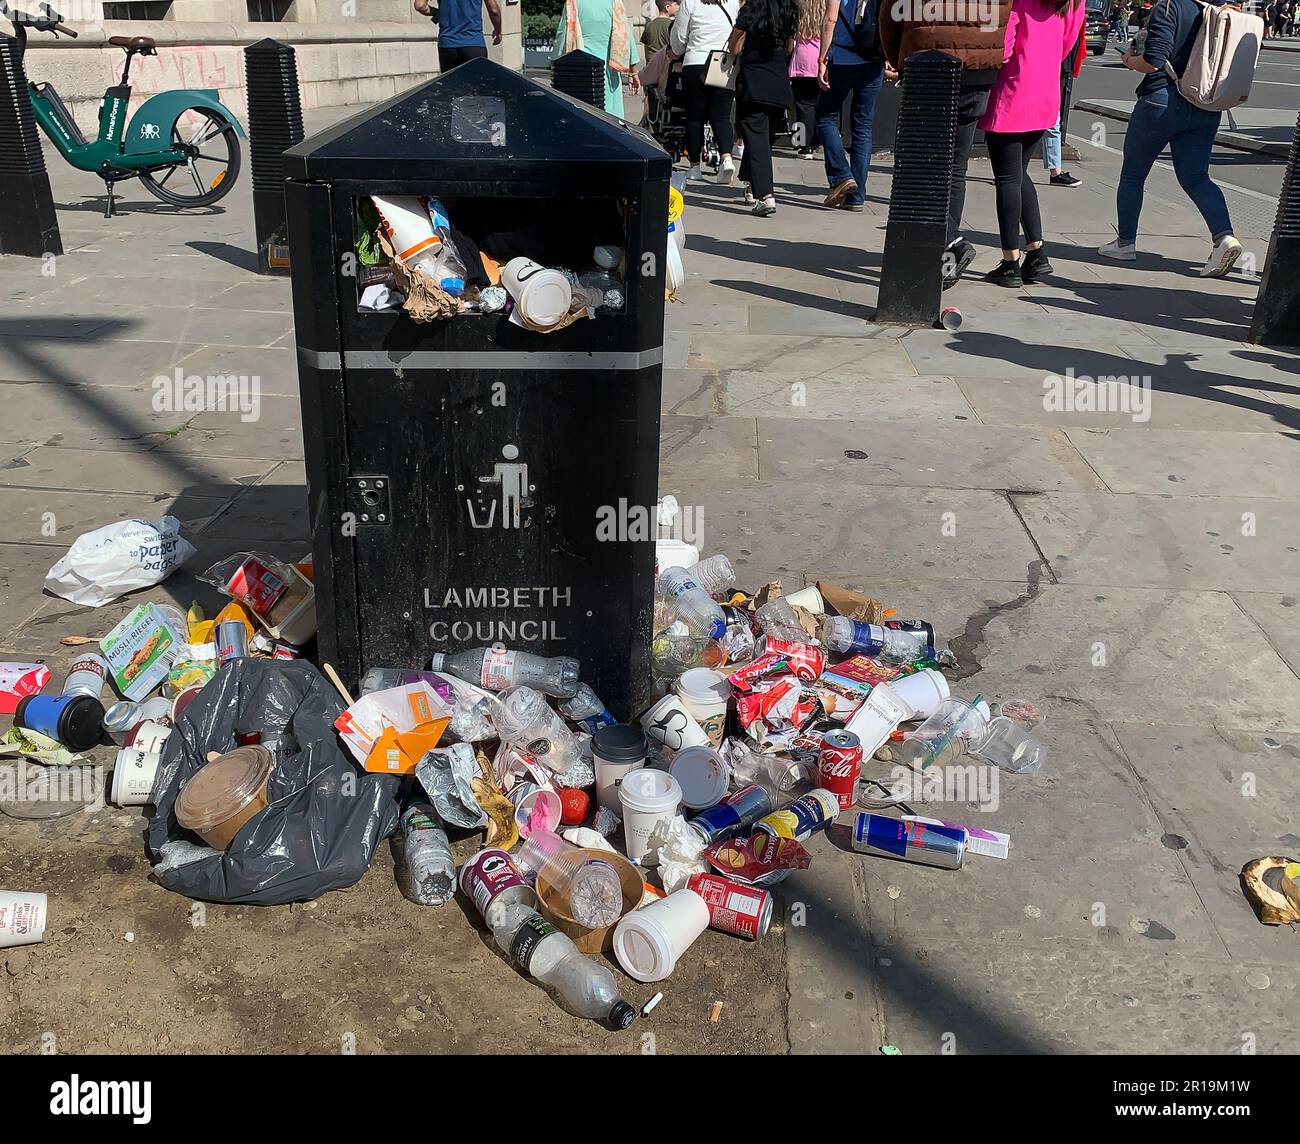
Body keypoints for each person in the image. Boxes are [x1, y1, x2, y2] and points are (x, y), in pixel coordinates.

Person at [1098, 0, 1242, 276]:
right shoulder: (1224, 10)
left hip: (1162, 101)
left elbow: (1153, 60)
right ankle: (1224, 237)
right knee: (1197, 178)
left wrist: (1128, 59)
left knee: (1133, 175)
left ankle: (1125, 243)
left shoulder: (1171, 6)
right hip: (1206, 105)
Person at [879, 0, 1013, 288]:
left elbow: (890, 14)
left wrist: (898, 59)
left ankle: (952, 240)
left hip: (928, 61)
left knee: (917, 163)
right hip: (979, 68)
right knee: (955, 166)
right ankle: (945, 258)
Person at [979, 0, 1086, 287]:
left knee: (1007, 179)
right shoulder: (1072, 3)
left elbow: (1003, 48)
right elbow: (1067, 44)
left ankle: (1010, 261)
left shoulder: (1018, 3)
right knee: (1018, 174)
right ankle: (1037, 253)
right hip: (1045, 94)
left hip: (1013, 93)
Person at [814, 0, 884, 212]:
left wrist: (822, 59)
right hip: (873, 61)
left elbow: (830, 19)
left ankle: (841, 175)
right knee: (863, 125)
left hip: (843, 59)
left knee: (825, 116)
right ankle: (857, 197)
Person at [732, 0, 800, 215]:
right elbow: (790, 47)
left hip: (753, 79)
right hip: (778, 78)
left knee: (755, 135)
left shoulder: (751, 7)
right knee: (763, 137)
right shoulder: (788, 7)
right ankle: (752, 184)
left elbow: (734, 47)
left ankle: (766, 195)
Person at [671, 0, 741, 182]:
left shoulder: (690, 2)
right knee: (722, 117)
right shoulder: (733, 2)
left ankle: (694, 166)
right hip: (722, 62)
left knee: (694, 118)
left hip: (695, 62)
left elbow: (679, 39)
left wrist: (679, 49)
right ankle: (726, 157)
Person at [552, 0, 641, 117]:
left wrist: (555, 66)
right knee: (611, 118)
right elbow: (626, 37)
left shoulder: (573, 3)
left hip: (581, 71)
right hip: (609, 71)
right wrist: (633, 72)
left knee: (582, 116)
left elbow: (563, 36)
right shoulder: (614, 2)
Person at [415, 0, 502, 74]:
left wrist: (438, 13)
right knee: (476, 88)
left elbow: (420, 6)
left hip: (447, 45)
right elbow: (494, 10)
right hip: (473, 43)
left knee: (451, 89)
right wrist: (498, 31)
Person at [790, 0, 822, 157]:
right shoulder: (827, 10)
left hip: (802, 61)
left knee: (803, 106)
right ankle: (818, 140)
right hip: (822, 60)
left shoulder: (799, 10)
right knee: (819, 105)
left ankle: (804, 144)